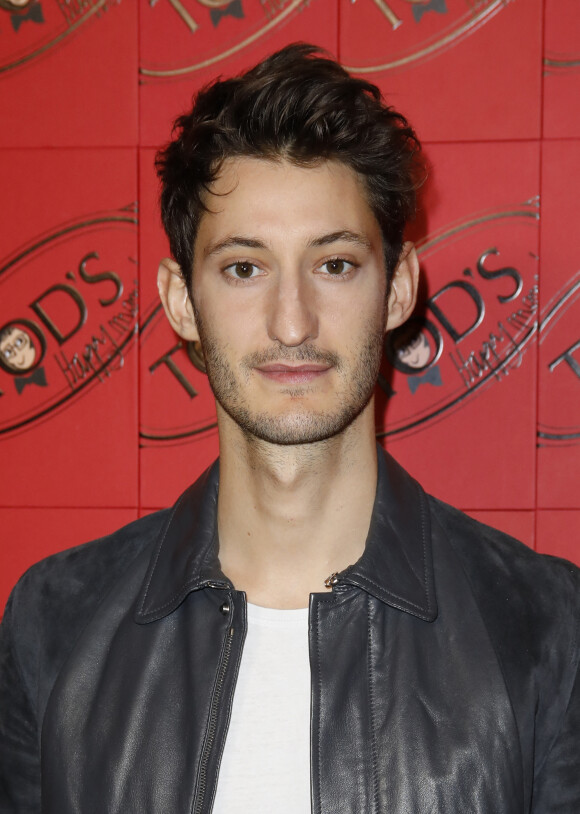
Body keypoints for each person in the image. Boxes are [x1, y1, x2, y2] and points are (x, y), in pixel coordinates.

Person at [0, 44, 578, 814]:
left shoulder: (547, 628)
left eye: (334, 264)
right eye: (245, 268)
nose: (292, 319)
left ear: (398, 286)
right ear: (180, 301)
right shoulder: (54, 626)